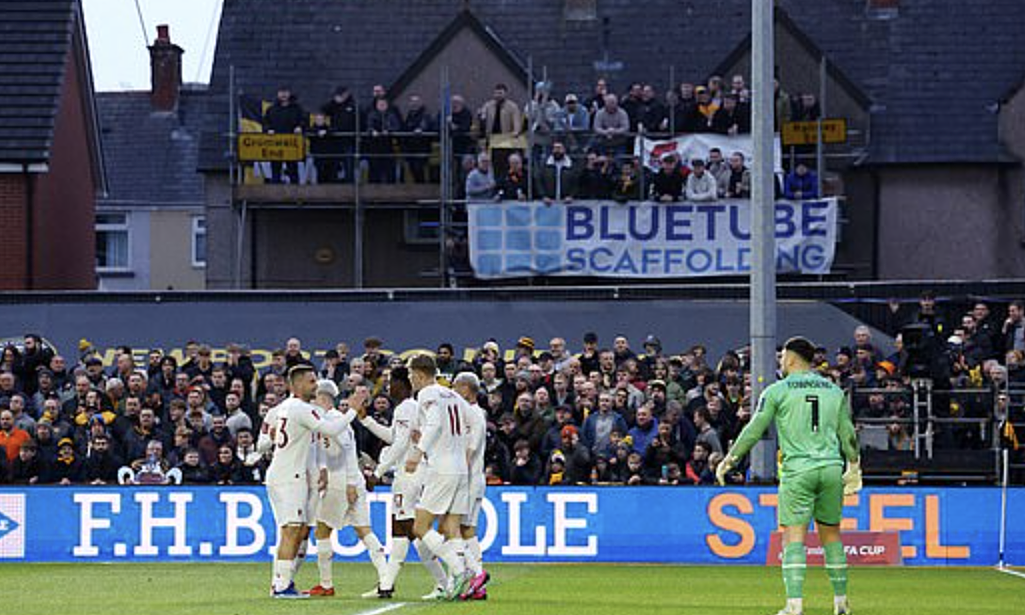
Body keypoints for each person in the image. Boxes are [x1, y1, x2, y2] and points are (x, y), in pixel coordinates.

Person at [717, 337, 862, 615]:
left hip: (798, 470)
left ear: (793, 358)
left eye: (783, 356)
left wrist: (731, 458)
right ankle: (841, 602)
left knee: (794, 535)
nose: (781, 361)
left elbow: (754, 428)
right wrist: (853, 466)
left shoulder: (777, 391)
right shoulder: (834, 390)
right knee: (831, 534)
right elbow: (848, 434)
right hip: (831, 467)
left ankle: (794, 605)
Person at [256, 365, 351, 599]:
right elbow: (330, 430)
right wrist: (354, 412)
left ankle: (281, 582)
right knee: (291, 530)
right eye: (311, 381)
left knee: (297, 531)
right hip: (289, 477)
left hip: (295, 476)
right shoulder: (297, 409)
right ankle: (281, 586)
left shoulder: (287, 409)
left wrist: (321, 468)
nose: (315, 386)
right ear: (297, 384)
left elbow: (312, 443)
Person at [355, 367, 449, 599]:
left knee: (413, 530)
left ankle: (451, 575)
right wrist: (366, 420)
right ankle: (386, 585)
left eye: (392, 382)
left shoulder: (407, 407)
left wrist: (378, 472)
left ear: (403, 383)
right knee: (399, 531)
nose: (388, 387)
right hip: (409, 474)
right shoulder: (406, 408)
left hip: (411, 475)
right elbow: (394, 438)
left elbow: (399, 445)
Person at [405, 354, 475, 601]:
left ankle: (459, 570)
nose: (410, 379)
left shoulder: (427, 394)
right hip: (460, 468)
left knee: (420, 526)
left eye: (411, 374)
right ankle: (463, 578)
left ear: (420, 374)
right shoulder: (453, 394)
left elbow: (434, 424)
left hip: (441, 467)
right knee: (450, 527)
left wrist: (418, 451)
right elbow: (471, 421)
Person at [308, 380, 387, 597]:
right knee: (364, 531)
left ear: (321, 397)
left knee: (322, 529)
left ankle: (326, 584)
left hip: (341, 481)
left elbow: (348, 453)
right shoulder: (329, 420)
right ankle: (385, 581)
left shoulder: (334, 420)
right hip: (346, 481)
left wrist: (351, 483)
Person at [452, 372, 490, 600]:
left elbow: (470, 449)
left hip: (468, 479)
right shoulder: (470, 413)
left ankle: (472, 574)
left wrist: (457, 475)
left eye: (457, 387)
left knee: (452, 528)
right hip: (473, 478)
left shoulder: (474, 414)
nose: (454, 391)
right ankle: (478, 584)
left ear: (467, 388)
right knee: (468, 531)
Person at [263, 86, 306, 184]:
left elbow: (304, 121)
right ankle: (275, 196)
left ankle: (295, 196)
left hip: (292, 145)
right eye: (281, 92)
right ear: (278, 94)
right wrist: (268, 129)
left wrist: (300, 126)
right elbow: (265, 122)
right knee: (275, 172)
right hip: (276, 145)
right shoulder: (271, 109)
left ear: (289, 93)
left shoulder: (297, 108)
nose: (283, 95)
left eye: (286, 92)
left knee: (293, 172)